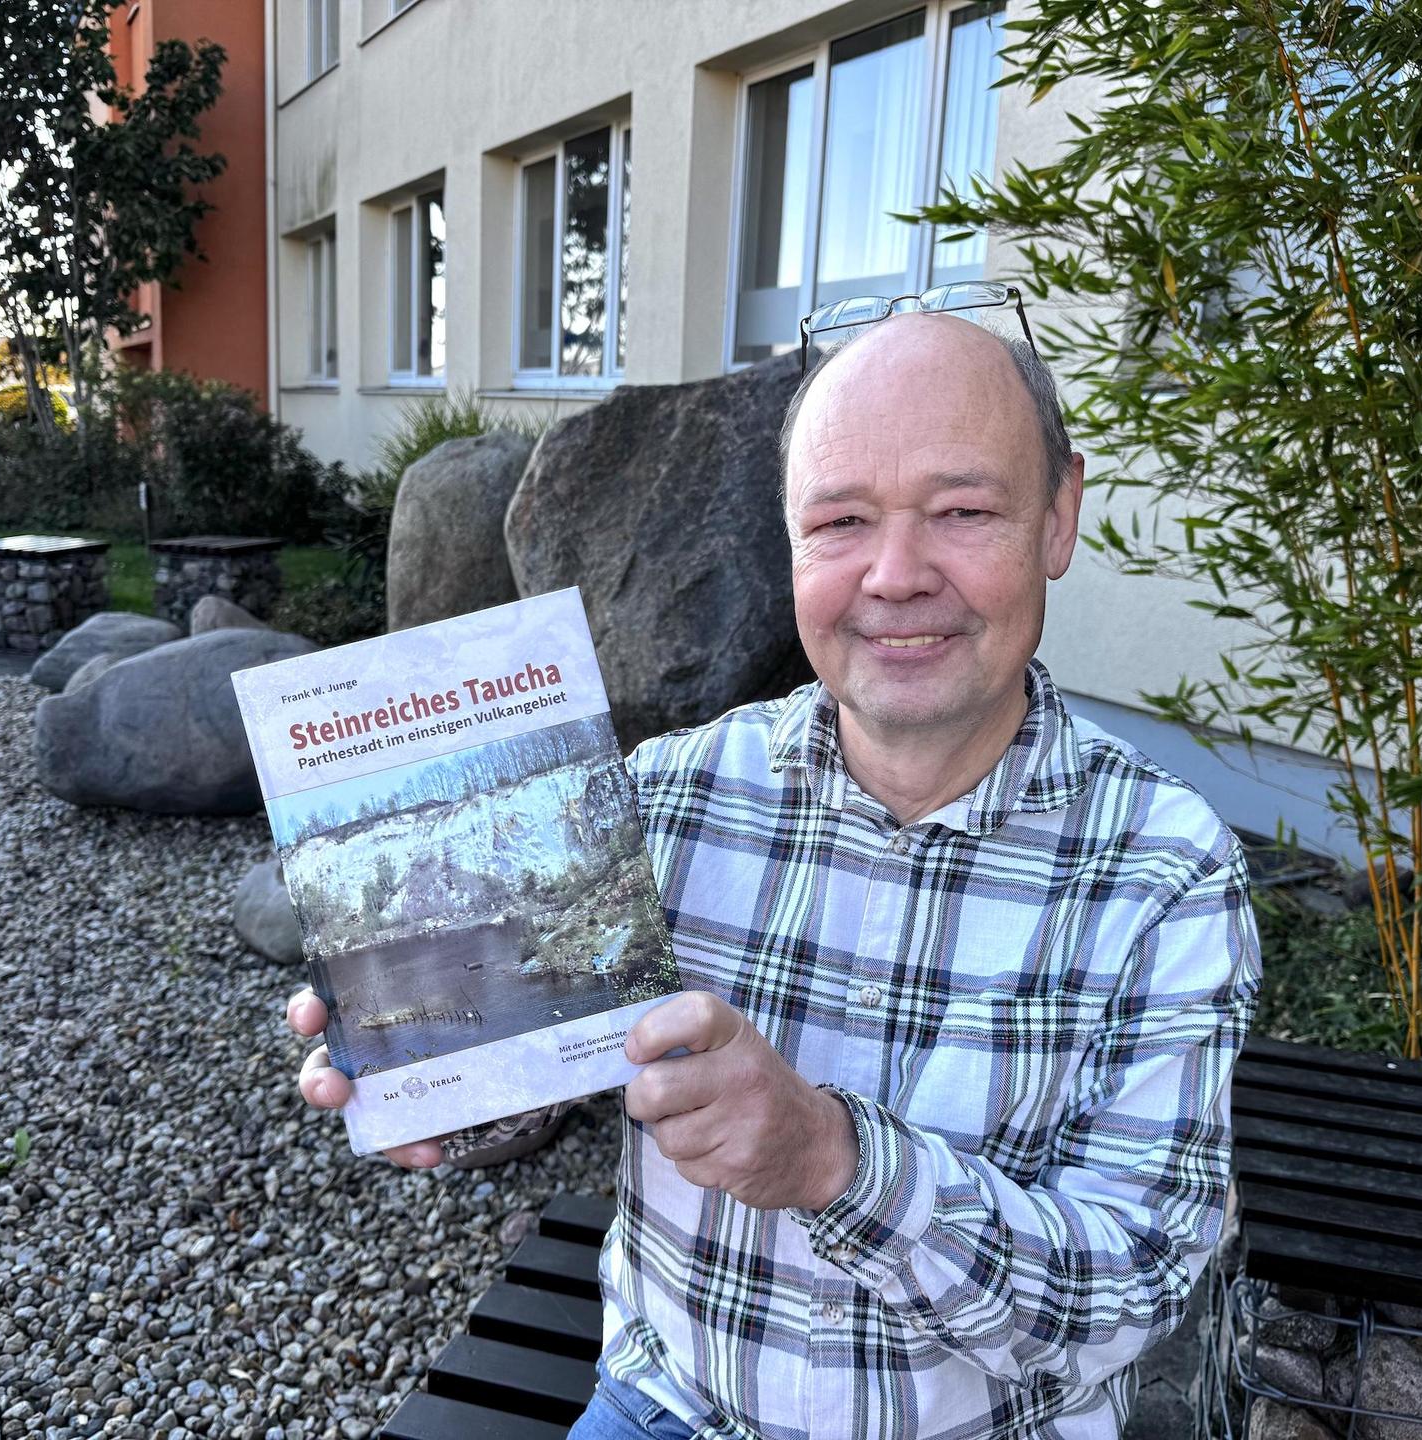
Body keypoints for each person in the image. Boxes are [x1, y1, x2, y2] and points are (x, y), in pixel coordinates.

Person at [286, 311, 1261, 1439]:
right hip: (671, 1404)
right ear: (791, 539)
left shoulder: (1166, 872)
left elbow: (1132, 1288)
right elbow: (541, 1067)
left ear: (1058, 518)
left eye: (963, 512)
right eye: (842, 520)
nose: (896, 577)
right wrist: (427, 1069)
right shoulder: (665, 798)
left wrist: (835, 1161)